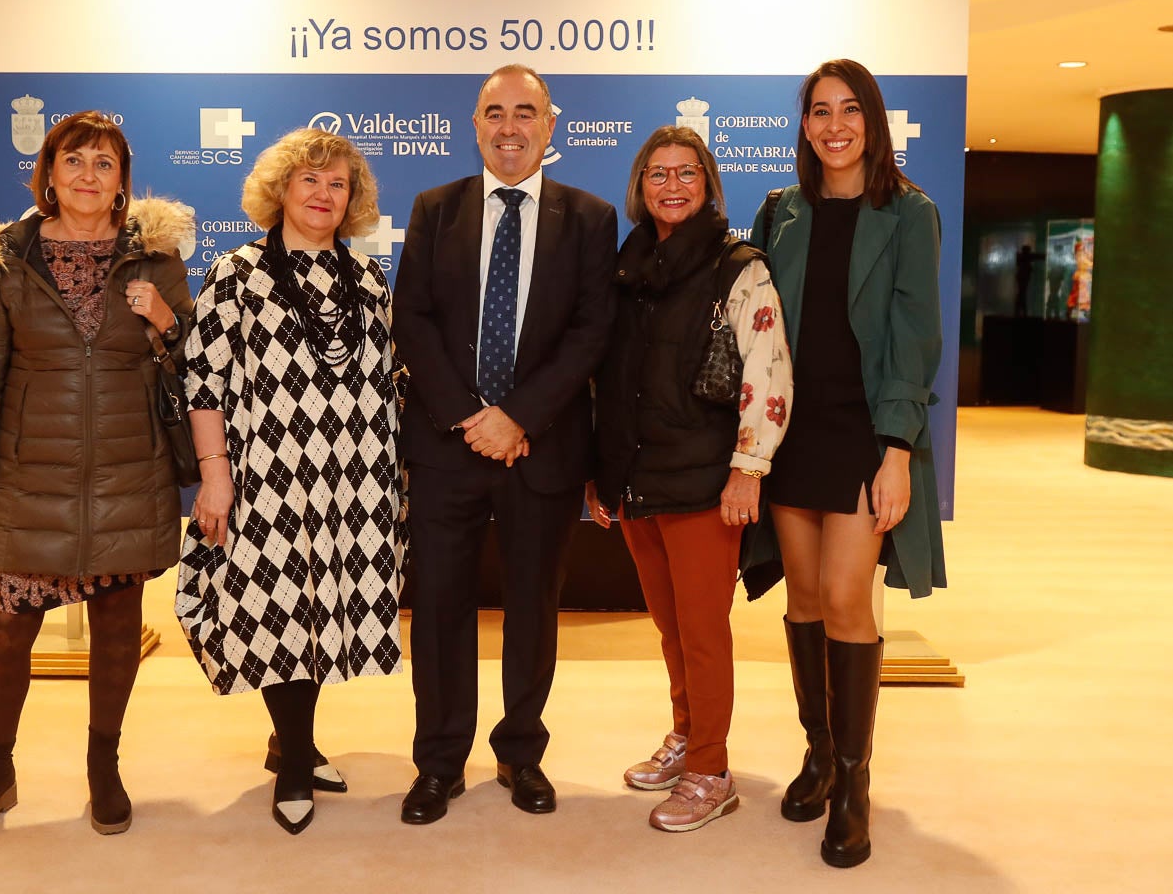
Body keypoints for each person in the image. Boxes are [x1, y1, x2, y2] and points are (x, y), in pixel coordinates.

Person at [0, 110, 194, 841]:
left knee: (118, 628)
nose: (88, 175)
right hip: (29, 474)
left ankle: (103, 764)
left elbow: (198, 366)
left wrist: (165, 325)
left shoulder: (156, 259)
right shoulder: (6, 261)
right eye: (74, 161)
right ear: (48, 173)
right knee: (6, 630)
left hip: (126, 467)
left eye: (103, 164)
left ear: (123, 182)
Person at [392, 64, 617, 824]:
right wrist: (469, 415)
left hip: (540, 448)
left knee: (532, 609)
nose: (509, 126)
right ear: (475, 123)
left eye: (526, 112)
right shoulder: (434, 208)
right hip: (446, 446)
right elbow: (412, 319)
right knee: (441, 610)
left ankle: (521, 753)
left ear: (550, 127)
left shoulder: (589, 217)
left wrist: (517, 416)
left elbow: (591, 331)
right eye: (494, 112)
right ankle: (439, 762)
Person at [746, 58, 947, 868]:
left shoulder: (908, 214)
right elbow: (755, 331)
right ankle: (819, 754)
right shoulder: (778, 212)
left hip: (863, 434)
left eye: (849, 110)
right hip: (791, 434)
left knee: (843, 598)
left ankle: (855, 784)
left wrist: (895, 450)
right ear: (803, 125)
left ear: (872, 121)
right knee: (799, 596)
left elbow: (913, 340)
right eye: (818, 111)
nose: (834, 125)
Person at [175, 128, 402, 835]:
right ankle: (297, 760)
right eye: (309, 181)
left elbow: (386, 377)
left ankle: (290, 742)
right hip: (268, 476)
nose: (323, 195)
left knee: (327, 608)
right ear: (280, 190)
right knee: (277, 611)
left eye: (337, 184)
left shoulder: (366, 279)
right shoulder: (235, 273)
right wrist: (214, 476)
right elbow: (202, 382)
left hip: (355, 478)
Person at [587, 126, 792, 832]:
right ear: (639, 188)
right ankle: (684, 735)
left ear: (707, 185)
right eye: (656, 175)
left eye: (685, 173)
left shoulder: (739, 268)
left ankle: (710, 769)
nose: (671, 186)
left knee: (704, 633)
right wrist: (602, 471)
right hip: (639, 479)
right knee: (672, 628)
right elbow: (607, 379)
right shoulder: (626, 264)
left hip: (707, 481)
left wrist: (747, 470)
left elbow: (768, 373)